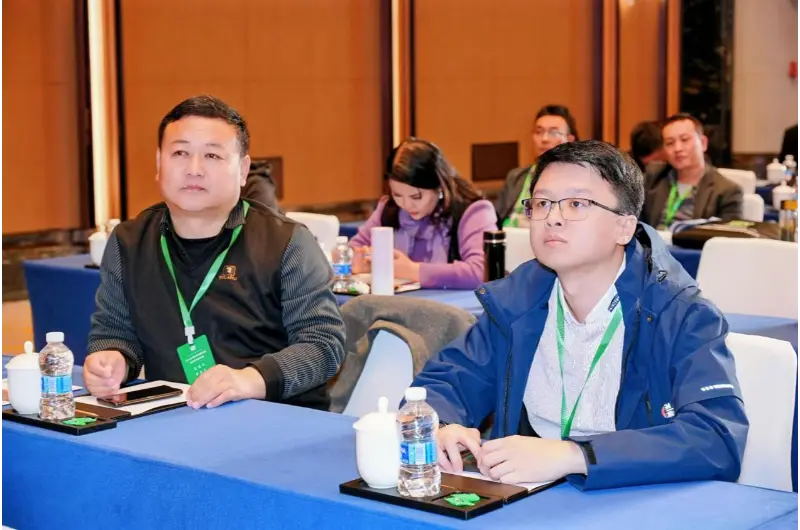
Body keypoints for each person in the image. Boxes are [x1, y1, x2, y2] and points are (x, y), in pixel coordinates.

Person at [410, 140, 747, 490]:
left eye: (576, 204)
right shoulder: (516, 301)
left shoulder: (679, 313)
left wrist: (576, 455)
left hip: (635, 496)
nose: (552, 218)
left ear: (624, 227)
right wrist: (441, 425)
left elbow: (716, 439)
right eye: (542, 203)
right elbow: (445, 382)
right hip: (532, 496)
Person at [84, 95, 346, 411]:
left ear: (243, 169)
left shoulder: (286, 242)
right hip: (173, 416)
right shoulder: (129, 241)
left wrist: (248, 380)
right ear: (159, 163)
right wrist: (111, 359)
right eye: (180, 153)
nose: (194, 169)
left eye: (212, 155)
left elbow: (323, 345)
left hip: (275, 418)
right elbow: (114, 332)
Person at [348, 138, 497, 290]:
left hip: (452, 304)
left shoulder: (472, 211)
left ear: (440, 187)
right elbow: (352, 250)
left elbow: (483, 272)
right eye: (397, 195)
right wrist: (360, 261)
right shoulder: (390, 208)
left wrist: (413, 270)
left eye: (416, 197)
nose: (406, 205)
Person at [641, 113, 743, 229]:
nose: (677, 148)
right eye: (670, 143)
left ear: (703, 143)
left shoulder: (727, 191)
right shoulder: (653, 178)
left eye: (684, 140)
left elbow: (729, 236)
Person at [495, 105, 578, 228]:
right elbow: (495, 221)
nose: (544, 139)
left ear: (569, 140)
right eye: (539, 132)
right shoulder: (516, 177)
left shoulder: (578, 181)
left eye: (553, 133)